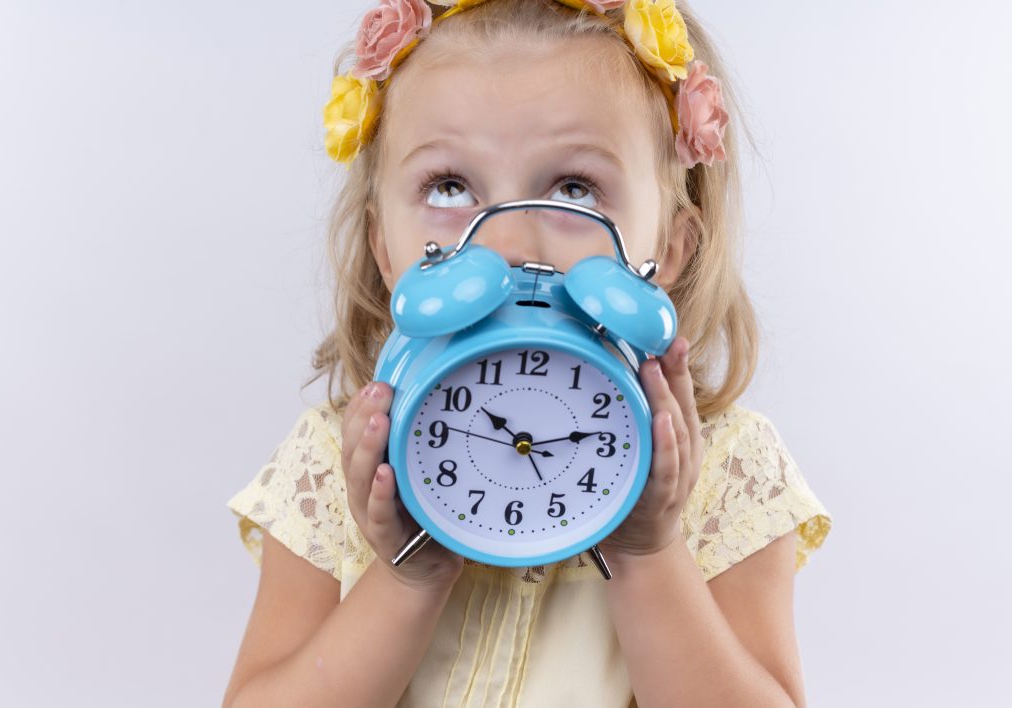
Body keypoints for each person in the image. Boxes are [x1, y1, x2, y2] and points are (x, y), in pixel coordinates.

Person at [221, 1, 833, 706]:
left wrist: (648, 550)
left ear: (668, 248)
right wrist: (403, 574)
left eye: (574, 189)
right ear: (383, 247)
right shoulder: (331, 465)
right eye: (449, 187)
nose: (505, 244)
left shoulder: (727, 471)